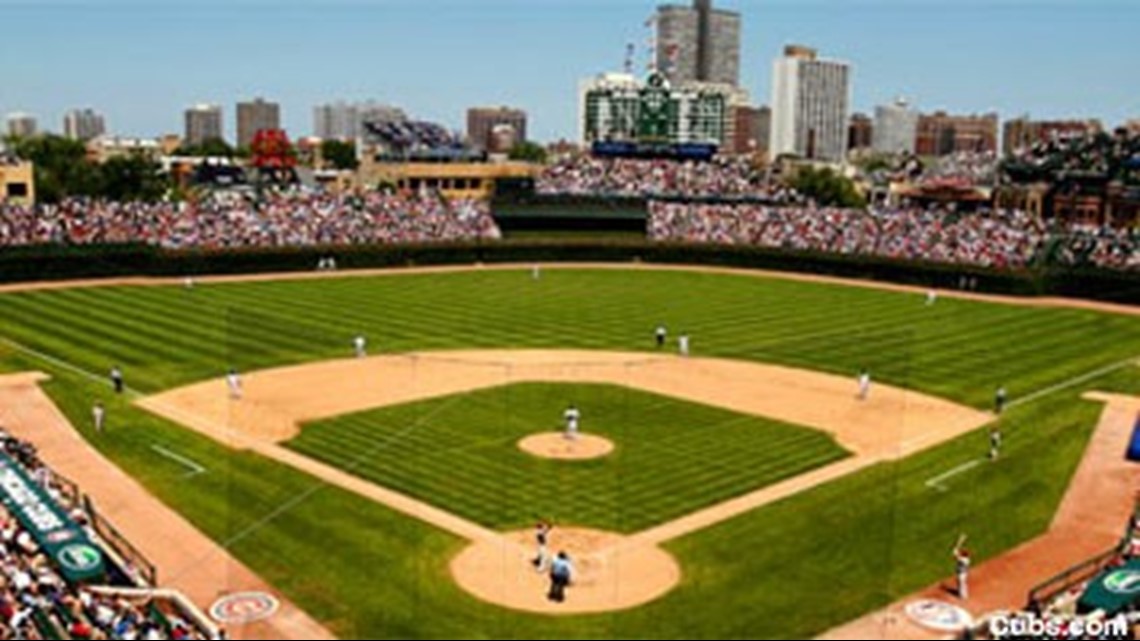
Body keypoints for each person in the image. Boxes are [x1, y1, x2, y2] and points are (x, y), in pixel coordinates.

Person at [953, 536, 971, 600]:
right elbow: (957, 554)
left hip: (962, 574)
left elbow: (955, 554)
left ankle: (963, 596)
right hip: (963, 573)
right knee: (962, 584)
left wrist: (959, 542)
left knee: (961, 584)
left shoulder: (964, 560)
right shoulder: (966, 559)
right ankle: (963, 594)